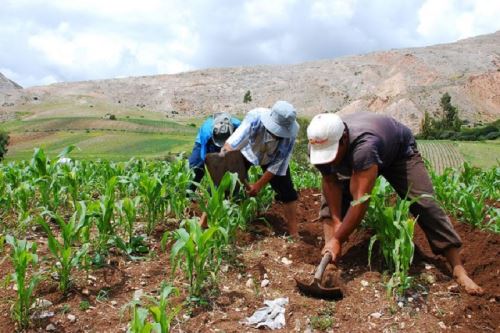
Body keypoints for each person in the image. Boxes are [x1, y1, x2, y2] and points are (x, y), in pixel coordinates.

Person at [307, 111, 483, 295]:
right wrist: (336, 223)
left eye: (332, 152)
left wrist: (339, 238)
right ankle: (330, 263)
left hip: (398, 152)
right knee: (329, 205)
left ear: (343, 139)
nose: (329, 158)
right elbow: (329, 182)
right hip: (362, 152)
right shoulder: (317, 145)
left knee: (424, 202)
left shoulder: (364, 147)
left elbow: (360, 201)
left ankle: (458, 268)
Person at [222, 101, 300, 237]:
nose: (278, 134)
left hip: (271, 157)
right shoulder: (255, 118)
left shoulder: (289, 135)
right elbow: (230, 146)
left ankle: (294, 234)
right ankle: (207, 225)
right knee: (223, 183)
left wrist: (257, 185)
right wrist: (236, 170)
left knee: (288, 193)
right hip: (247, 151)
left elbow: (277, 165)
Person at [188, 112, 241, 192]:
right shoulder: (206, 132)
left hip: (230, 143)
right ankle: (188, 193)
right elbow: (204, 156)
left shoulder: (239, 127)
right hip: (206, 142)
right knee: (196, 168)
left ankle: (225, 192)